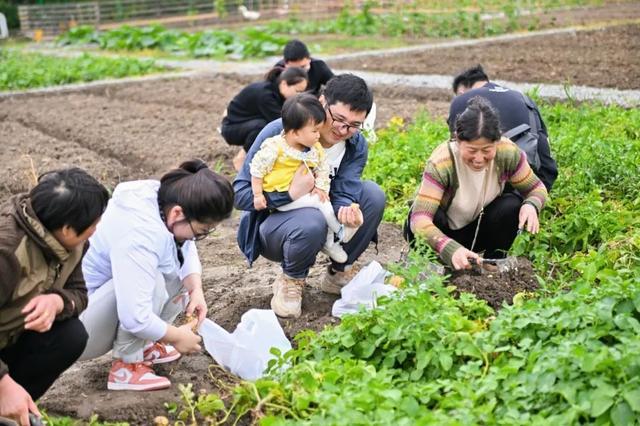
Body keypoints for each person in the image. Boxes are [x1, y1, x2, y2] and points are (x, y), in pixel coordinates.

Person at [235, 74, 386, 318]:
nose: (343, 130)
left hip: (322, 218)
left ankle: (339, 272)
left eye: (354, 125)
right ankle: (292, 280)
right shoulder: (281, 134)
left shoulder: (355, 144)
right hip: (273, 229)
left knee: (372, 195)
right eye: (338, 119)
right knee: (310, 220)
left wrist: (346, 210)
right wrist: (289, 193)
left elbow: (345, 190)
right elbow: (240, 194)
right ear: (322, 102)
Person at [78, 159, 234, 392]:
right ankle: (126, 366)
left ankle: (146, 344)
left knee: (176, 272)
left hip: (105, 306)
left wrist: (196, 289)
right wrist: (176, 337)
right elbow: (135, 316)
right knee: (155, 280)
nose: (199, 237)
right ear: (177, 213)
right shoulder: (139, 235)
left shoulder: (164, 200)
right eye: (202, 231)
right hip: (80, 330)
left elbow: (184, 246)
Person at [0, 168, 109, 426]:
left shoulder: (71, 242)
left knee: (70, 336)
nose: (96, 229)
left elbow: (79, 293)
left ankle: (11, 411)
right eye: (94, 223)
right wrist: (3, 383)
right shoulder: (7, 253)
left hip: (9, 339)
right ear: (68, 228)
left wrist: (58, 301)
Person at [406, 97, 548, 271]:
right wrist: (450, 248)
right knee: (432, 217)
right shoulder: (442, 162)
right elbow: (419, 220)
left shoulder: (507, 153)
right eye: (472, 150)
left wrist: (532, 204)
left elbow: (537, 189)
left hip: (478, 228)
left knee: (512, 205)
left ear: (497, 141)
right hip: (444, 231)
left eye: (487, 150)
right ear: (458, 140)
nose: (479, 159)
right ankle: (438, 265)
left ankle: (491, 264)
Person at [251, 93, 355, 265]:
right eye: (314, 131)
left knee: (322, 202)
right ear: (295, 133)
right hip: (280, 198)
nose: (318, 135)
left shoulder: (314, 148)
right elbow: (257, 170)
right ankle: (340, 231)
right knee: (319, 204)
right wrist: (257, 194)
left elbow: (323, 167)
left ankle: (331, 242)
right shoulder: (275, 148)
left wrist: (321, 187)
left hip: (302, 196)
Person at [448, 64, 558, 192]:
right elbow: (545, 145)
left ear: (461, 92)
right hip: (533, 181)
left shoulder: (462, 100)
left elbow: (455, 148)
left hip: (486, 187)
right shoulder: (524, 99)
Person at [221, 66, 309, 171]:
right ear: (284, 84)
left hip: (247, 124)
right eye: (297, 91)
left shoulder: (276, 91)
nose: (299, 96)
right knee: (265, 126)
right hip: (231, 129)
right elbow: (283, 123)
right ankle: (241, 158)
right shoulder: (266, 95)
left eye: (302, 92)